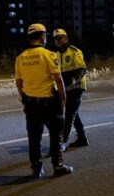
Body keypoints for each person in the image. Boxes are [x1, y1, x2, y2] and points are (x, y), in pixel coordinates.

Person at [15, 23, 74, 178]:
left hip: (31, 103)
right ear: (42, 36)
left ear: (29, 38)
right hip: (49, 102)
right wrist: (63, 97)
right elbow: (58, 78)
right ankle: (58, 166)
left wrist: (24, 99)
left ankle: (36, 168)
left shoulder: (20, 58)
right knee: (56, 135)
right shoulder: (49, 55)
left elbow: (19, 82)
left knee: (34, 138)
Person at [53, 28, 88, 149]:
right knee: (73, 112)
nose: (58, 40)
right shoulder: (56, 54)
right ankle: (82, 138)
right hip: (66, 87)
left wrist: (74, 80)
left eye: (60, 37)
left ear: (66, 38)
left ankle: (62, 143)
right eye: (56, 38)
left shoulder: (74, 51)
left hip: (77, 87)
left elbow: (83, 69)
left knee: (69, 114)